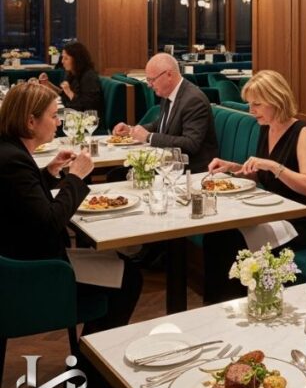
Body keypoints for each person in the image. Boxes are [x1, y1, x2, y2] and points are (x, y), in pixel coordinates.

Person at [0, 82, 141, 336]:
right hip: (35, 273)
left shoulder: (9, 151)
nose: (58, 122)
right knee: (129, 277)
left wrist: (50, 172)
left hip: (22, 258)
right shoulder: (13, 160)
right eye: (53, 116)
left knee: (124, 270)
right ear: (31, 121)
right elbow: (50, 222)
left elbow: (23, 199)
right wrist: (75, 178)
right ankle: (92, 366)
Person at [203, 70, 306, 303]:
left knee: (232, 242)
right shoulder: (266, 127)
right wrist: (232, 167)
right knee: (216, 235)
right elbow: (261, 175)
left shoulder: (302, 132)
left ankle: (238, 304)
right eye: (250, 104)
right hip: (270, 212)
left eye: (257, 104)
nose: (251, 110)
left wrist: (274, 165)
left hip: (297, 221)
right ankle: (216, 306)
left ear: (276, 101)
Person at [111, 53, 218, 173]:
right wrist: (131, 130)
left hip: (190, 171)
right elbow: (162, 125)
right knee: (117, 173)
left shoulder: (193, 100)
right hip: (167, 163)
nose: (149, 85)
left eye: (152, 80)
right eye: (148, 80)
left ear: (169, 75)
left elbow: (190, 144)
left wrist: (148, 137)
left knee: (122, 174)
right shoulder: (169, 93)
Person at [39, 42, 104, 123]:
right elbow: (63, 95)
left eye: (66, 58)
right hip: (71, 112)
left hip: (84, 119)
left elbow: (88, 107)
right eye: (62, 58)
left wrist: (69, 92)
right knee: (43, 113)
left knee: (46, 117)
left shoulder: (89, 76)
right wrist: (48, 84)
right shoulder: (72, 73)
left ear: (77, 59)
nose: (62, 61)